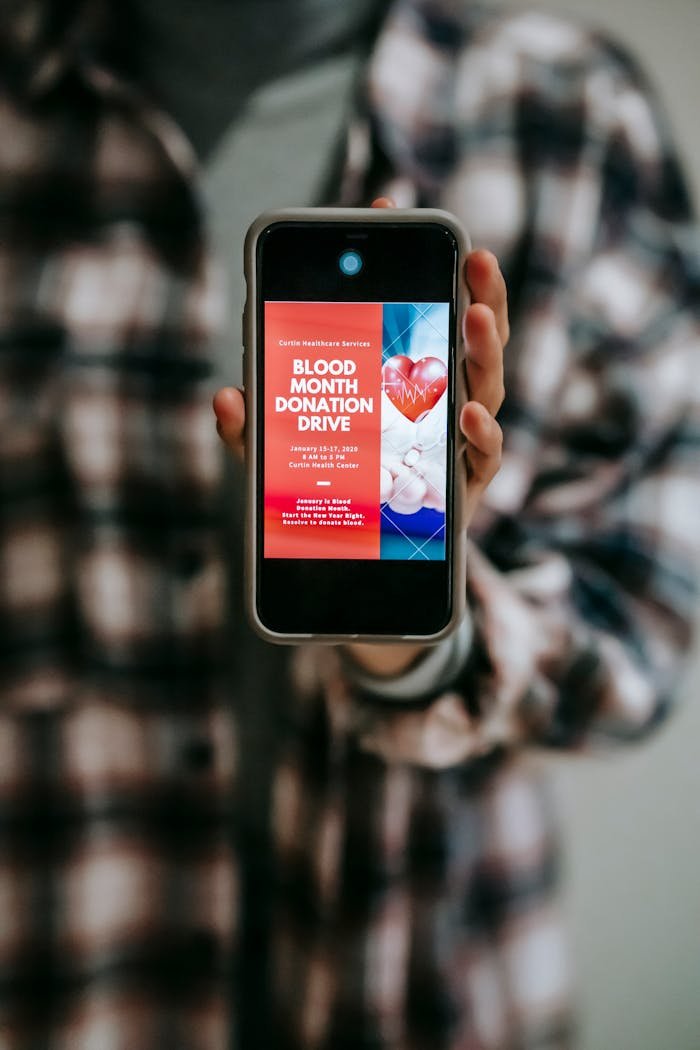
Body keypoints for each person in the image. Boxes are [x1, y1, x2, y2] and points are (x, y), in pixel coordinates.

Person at [0, 2, 698, 1049]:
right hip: (68, 976)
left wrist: (421, 634)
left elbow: (637, 630)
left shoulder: (563, 113)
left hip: (423, 986)